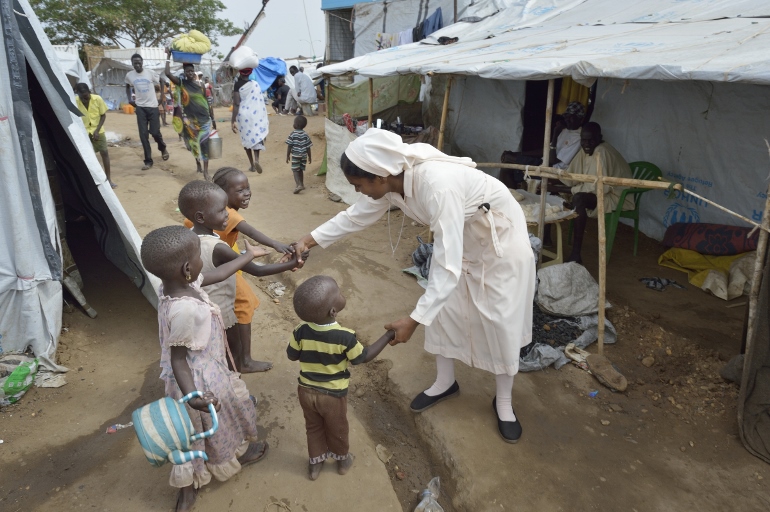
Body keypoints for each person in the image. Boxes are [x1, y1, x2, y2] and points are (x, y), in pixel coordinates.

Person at [287, 129, 536, 443]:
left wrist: (414, 320)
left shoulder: (436, 185)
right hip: (464, 242)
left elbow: (446, 264)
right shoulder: (390, 185)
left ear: (380, 176)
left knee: (499, 322)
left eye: (359, 185)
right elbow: (353, 217)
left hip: (500, 245)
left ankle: (504, 402)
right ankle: (446, 382)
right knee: (444, 312)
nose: (359, 192)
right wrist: (306, 242)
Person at [139, 225, 270, 512]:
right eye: (200, 254)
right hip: (196, 379)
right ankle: (188, 488)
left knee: (215, 424)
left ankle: (231, 456)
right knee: (192, 433)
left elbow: (220, 273)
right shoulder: (185, 309)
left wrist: (248, 256)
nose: (203, 259)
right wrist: (193, 396)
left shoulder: (180, 285)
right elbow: (178, 359)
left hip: (211, 368)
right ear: (188, 267)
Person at [179, 179, 304, 373]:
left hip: (200, 310)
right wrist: (292, 263)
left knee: (212, 355)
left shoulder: (188, 236)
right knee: (231, 355)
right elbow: (258, 271)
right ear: (201, 217)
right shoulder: (219, 248)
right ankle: (234, 389)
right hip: (221, 315)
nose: (228, 215)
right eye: (221, 211)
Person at [288, 275, 396, 480]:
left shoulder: (300, 331)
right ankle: (342, 461)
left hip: (306, 391)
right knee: (337, 428)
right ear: (333, 311)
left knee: (313, 427)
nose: (341, 293)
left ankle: (315, 464)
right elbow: (363, 357)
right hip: (332, 395)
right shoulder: (345, 337)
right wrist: (388, 336)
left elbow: (291, 355)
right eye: (338, 292)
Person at [560, 122, 635, 264]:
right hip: (601, 192)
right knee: (564, 195)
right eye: (583, 140)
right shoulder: (587, 149)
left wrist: (567, 190)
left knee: (579, 199)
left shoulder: (601, 152)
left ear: (599, 138)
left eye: (591, 140)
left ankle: (576, 254)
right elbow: (570, 177)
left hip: (616, 197)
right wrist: (555, 183)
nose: (586, 143)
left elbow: (596, 189)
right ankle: (546, 240)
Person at [165, 52, 213, 180]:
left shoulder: (201, 85)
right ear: (184, 72)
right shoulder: (182, 84)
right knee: (194, 144)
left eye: (192, 71)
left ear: (195, 72)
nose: (190, 73)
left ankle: (206, 172)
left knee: (205, 145)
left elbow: (207, 104)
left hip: (204, 120)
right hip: (191, 121)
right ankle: (198, 163)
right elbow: (167, 73)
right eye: (187, 71)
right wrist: (168, 56)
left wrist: (212, 119)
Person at [125, 53, 169, 170]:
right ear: (132, 64)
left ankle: (162, 147)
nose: (137, 65)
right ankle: (148, 161)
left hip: (153, 106)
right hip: (140, 108)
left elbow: (162, 80)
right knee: (143, 135)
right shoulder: (130, 75)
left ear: (142, 62)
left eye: (139, 62)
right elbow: (127, 86)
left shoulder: (150, 73)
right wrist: (129, 99)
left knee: (155, 132)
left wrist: (161, 97)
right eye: (135, 63)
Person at [75, 83, 116, 188]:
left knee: (104, 152)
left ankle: (109, 179)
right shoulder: (75, 101)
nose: (85, 100)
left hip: (98, 130)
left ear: (89, 92)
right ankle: (93, 181)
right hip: (84, 132)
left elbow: (103, 115)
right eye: (82, 97)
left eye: (86, 97)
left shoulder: (97, 99)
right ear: (78, 94)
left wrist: (97, 130)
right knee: (88, 157)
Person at [231, 65, 269, 174]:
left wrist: (232, 120)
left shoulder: (237, 85)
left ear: (240, 72)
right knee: (256, 137)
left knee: (246, 139)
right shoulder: (255, 84)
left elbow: (236, 103)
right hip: (255, 115)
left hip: (244, 116)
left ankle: (252, 164)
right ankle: (257, 159)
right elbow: (260, 102)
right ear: (250, 72)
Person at [285, 115, 312, 194]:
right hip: (304, 155)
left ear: (296, 125)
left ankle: (298, 185)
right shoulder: (305, 134)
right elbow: (308, 147)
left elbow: (289, 145)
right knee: (300, 169)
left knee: (295, 170)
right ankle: (302, 184)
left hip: (296, 155)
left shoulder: (292, 134)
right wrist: (310, 157)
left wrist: (287, 156)